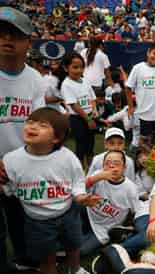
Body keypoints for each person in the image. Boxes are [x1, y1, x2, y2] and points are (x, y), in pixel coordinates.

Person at [2, 107, 100, 274]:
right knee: (46, 257)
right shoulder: (11, 160)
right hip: (37, 221)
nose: (32, 127)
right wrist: (6, 188)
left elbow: (77, 180)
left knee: (74, 246)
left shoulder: (67, 157)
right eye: (30, 122)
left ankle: (75, 269)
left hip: (68, 213)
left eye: (42, 125)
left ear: (56, 138)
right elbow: (8, 187)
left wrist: (80, 196)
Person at [0, 7, 46, 271]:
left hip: (21, 168)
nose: (7, 38)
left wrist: (18, 163)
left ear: (29, 41)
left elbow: (39, 124)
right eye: (2, 33)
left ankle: (25, 259)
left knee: (22, 222)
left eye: (15, 34)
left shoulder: (35, 80)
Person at [81, 150, 143, 256]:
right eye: (107, 163)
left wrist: (128, 227)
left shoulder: (130, 189)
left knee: (80, 251)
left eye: (116, 164)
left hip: (104, 229)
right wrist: (98, 177)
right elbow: (77, 190)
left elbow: (136, 212)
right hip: (88, 214)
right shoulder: (98, 175)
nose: (111, 166)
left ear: (124, 168)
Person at [60, 52, 98, 168]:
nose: (79, 70)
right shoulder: (66, 84)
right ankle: (80, 170)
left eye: (81, 67)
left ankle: (91, 168)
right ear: (66, 68)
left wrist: (94, 109)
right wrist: (88, 120)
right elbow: (74, 105)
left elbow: (92, 97)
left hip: (89, 116)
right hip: (78, 119)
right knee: (81, 144)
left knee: (90, 143)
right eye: (75, 67)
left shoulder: (85, 80)